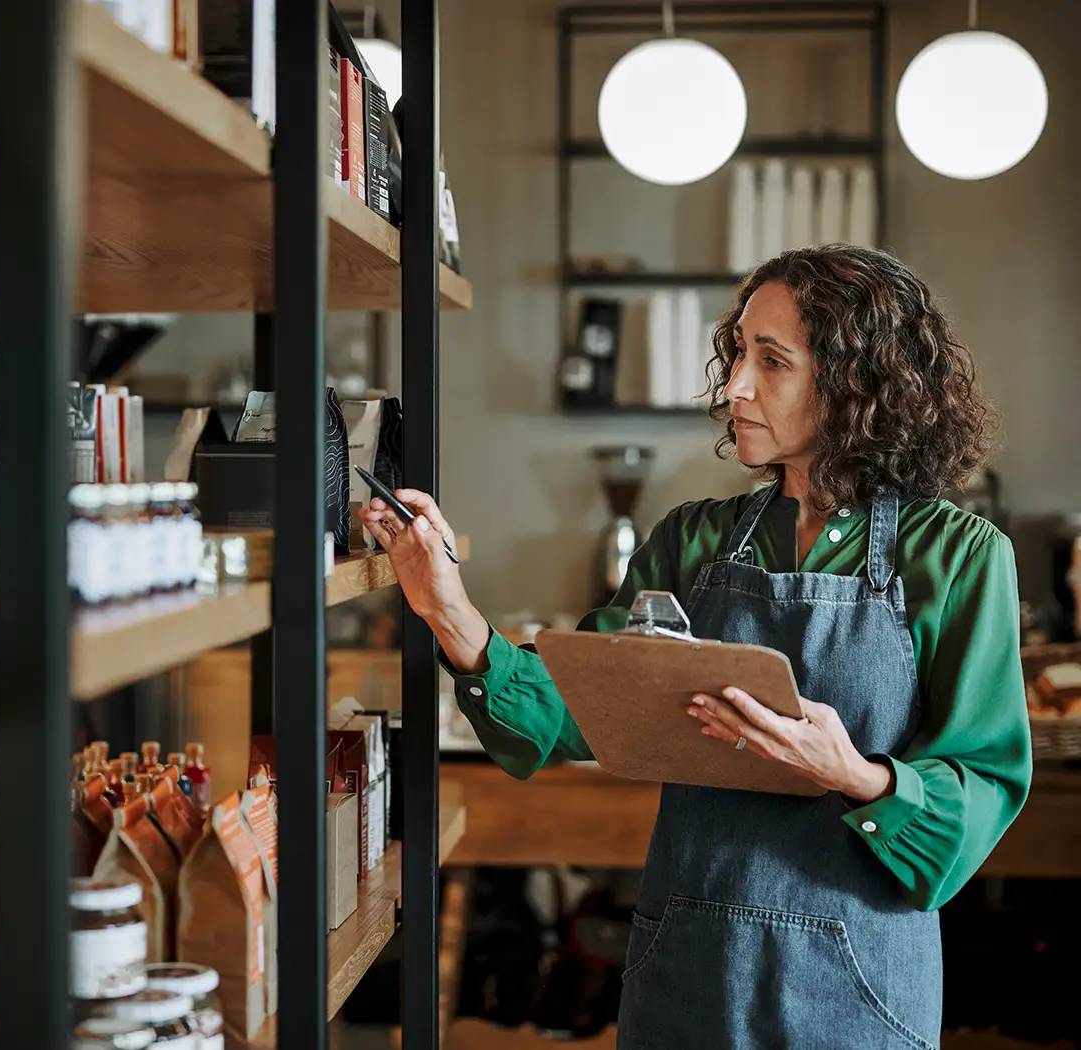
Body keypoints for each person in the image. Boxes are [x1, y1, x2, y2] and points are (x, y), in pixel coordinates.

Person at [362, 244, 1032, 1049]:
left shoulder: (959, 557)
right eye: (738, 353)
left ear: (858, 384)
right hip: (687, 966)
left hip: (859, 983)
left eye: (772, 361)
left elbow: (983, 787)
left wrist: (851, 773)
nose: (734, 387)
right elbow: (569, 711)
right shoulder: (693, 541)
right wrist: (448, 608)